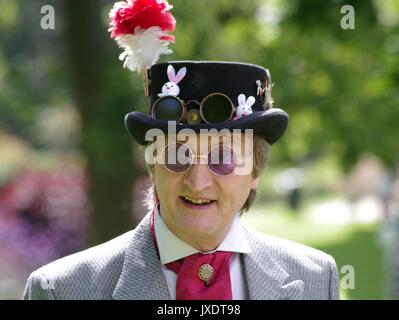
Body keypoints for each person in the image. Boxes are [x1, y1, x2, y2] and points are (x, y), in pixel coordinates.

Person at [23, 61, 339, 300]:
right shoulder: (60, 290)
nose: (198, 181)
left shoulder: (314, 278)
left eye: (223, 159)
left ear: (255, 173)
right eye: (177, 156)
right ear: (152, 168)